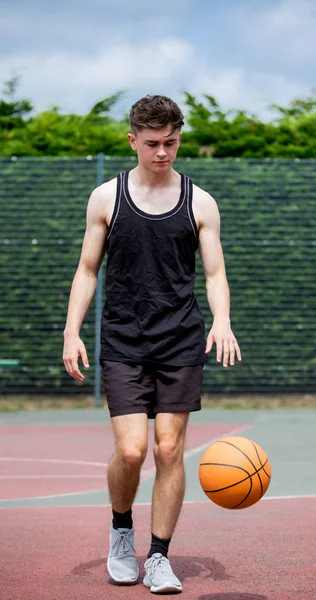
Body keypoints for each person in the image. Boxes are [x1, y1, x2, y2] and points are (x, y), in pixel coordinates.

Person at [63, 94, 241, 594]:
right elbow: (86, 269)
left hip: (180, 339)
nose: (163, 152)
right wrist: (71, 330)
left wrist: (222, 321)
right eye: (153, 144)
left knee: (168, 449)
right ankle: (122, 530)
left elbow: (215, 272)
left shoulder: (200, 202)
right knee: (132, 450)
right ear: (133, 140)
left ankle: (159, 556)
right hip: (123, 339)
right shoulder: (106, 198)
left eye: (171, 143)